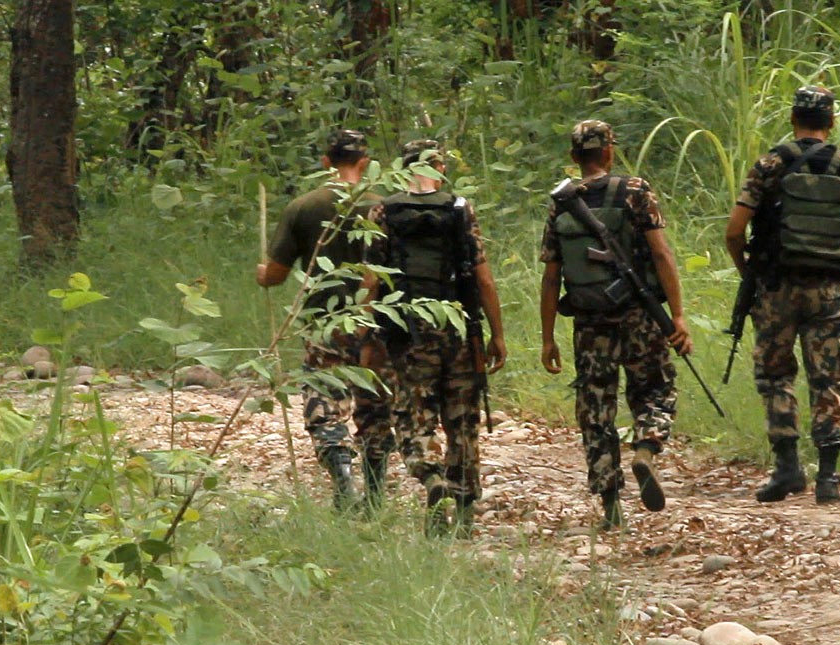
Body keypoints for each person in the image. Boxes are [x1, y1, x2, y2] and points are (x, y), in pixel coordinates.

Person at [724, 86, 840, 504]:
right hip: (829, 289)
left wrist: (751, 273)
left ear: (793, 119)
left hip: (776, 288)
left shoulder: (770, 165)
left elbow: (734, 231)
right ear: (830, 122)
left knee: (776, 375)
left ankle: (787, 469)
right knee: (828, 377)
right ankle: (828, 479)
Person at [539, 120, 693, 530]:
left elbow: (552, 275)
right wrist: (677, 315)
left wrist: (547, 337)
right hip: (639, 316)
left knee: (596, 409)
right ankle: (645, 448)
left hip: (590, 324)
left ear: (575, 157)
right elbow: (661, 254)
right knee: (655, 390)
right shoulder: (635, 191)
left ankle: (611, 504)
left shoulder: (563, 201)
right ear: (609, 151)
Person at [360, 139, 506, 537]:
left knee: (412, 412)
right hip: (459, 327)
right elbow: (483, 277)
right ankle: (463, 512)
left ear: (405, 167)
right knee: (462, 419)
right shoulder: (460, 210)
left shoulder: (384, 210)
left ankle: (430, 477)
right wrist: (497, 334)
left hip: (408, 331)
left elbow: (372, 279)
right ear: (439, 165)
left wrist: (367, 334)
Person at [256, 129, 395, 511]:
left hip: (325, 322)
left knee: (325, 402)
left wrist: (262, 274)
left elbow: (278, 274)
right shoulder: (385, 206)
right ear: (364, 164)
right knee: (375, 403)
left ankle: (343, 479)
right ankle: (376, 490)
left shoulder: (303, 207)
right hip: (377, 321)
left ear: (325, 162)